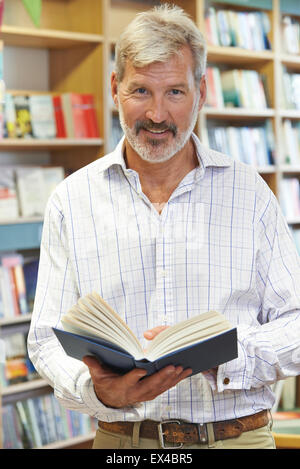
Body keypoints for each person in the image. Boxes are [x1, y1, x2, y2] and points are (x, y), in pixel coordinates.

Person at [27, 4, 300, 450]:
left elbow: (296, 321)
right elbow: (44, 337)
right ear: (115, 89)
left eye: (174, 91)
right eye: (140, 91)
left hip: (236, 438)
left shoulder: (249, 193)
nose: (157, 114)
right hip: (123, 442)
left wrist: (225, 355)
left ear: (201, 91)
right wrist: (95, 389)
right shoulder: (71, 201)